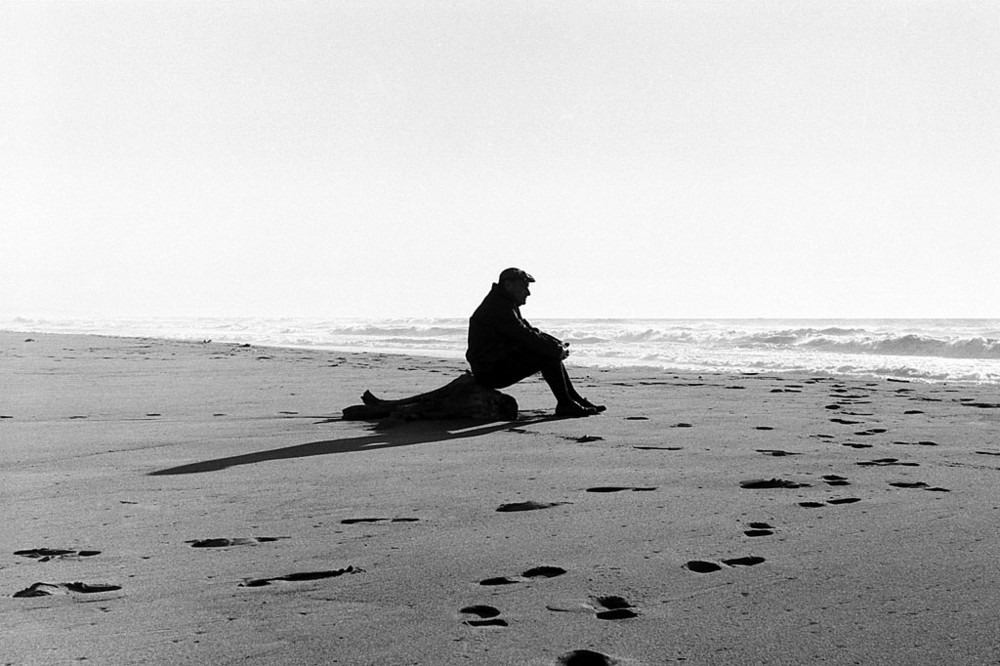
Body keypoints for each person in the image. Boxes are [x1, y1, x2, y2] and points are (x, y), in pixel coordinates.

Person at [466, 268, 605, 417]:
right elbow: (525, 335)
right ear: (508, 285)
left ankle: (572, 399)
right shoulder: (498, 307)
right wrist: (555, 349)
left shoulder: (503, 303)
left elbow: (529, 331)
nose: (528, 293)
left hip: (491, 366)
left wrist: (556, 344)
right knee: (546, 355)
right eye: (524, 287)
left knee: (548, 351)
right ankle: (566, 403)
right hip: (489, 372)